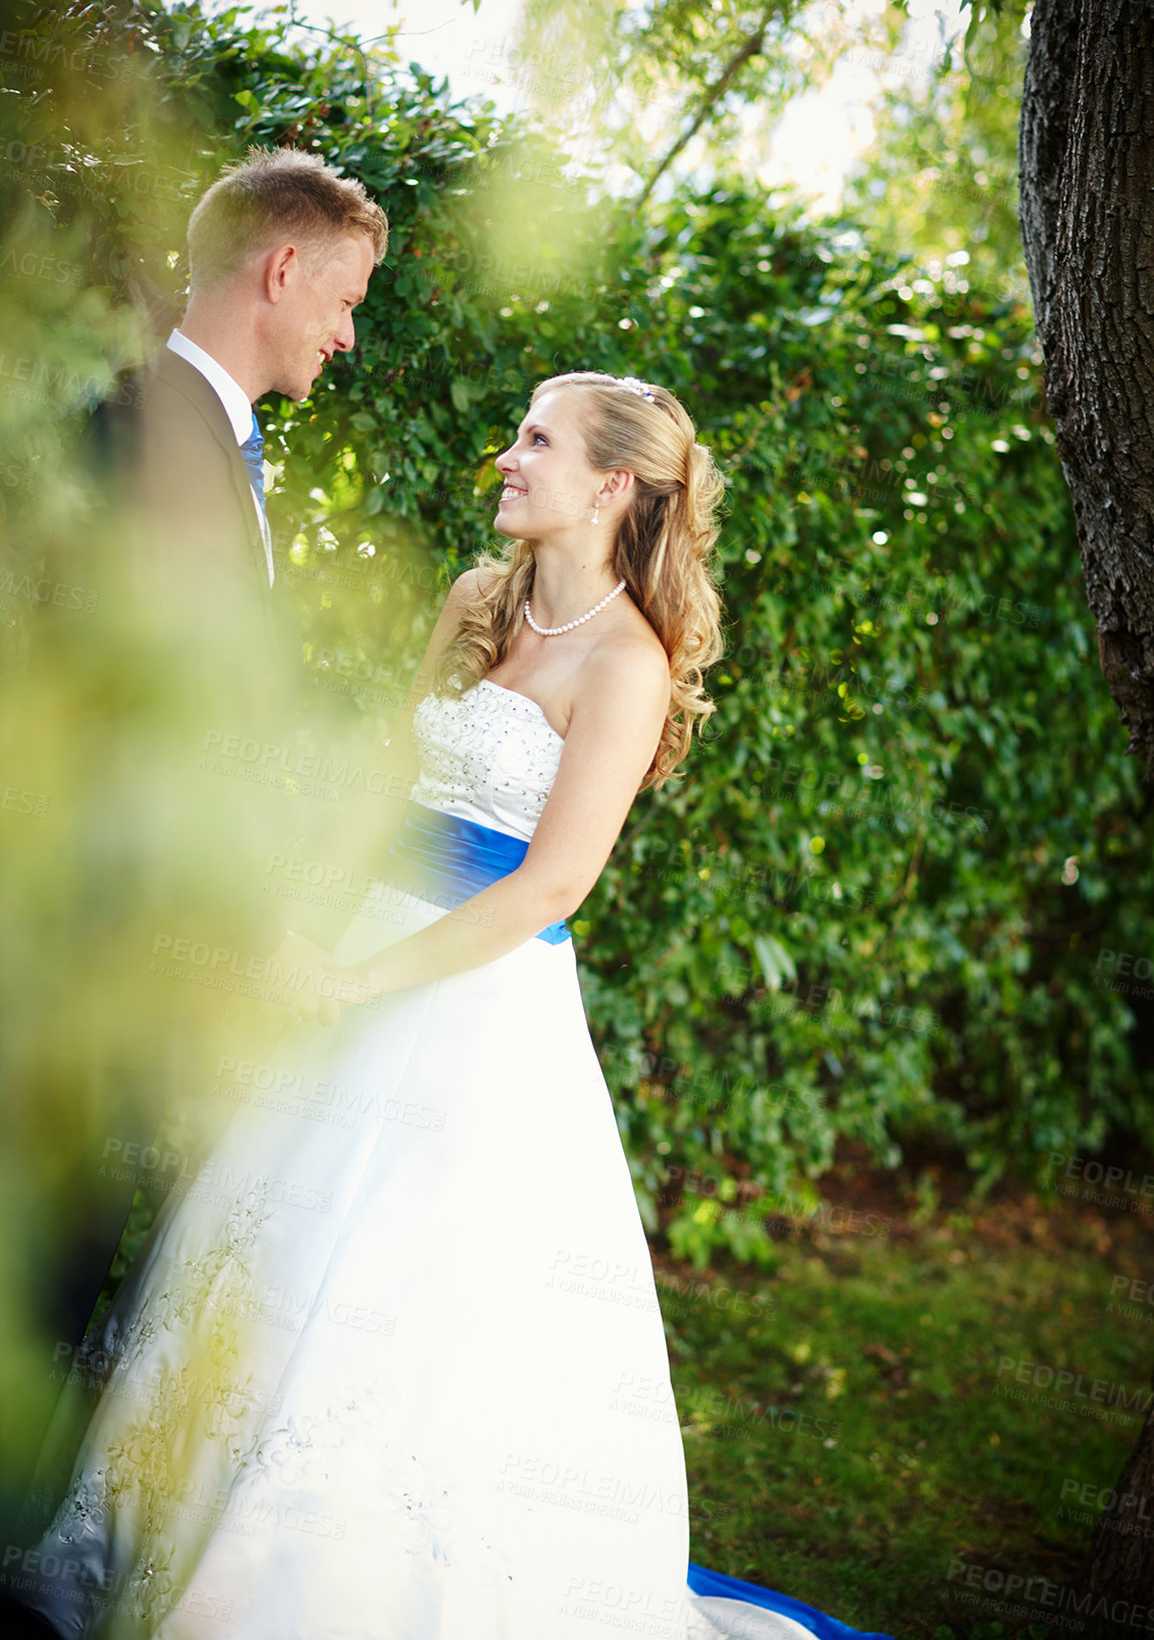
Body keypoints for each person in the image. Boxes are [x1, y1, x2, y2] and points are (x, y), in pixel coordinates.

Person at [8, 372, 893, 1640]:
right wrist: (313, 926)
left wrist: (360, 982)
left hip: (473, 1004)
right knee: (255, 1244)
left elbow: (552, 880)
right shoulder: (479, 600)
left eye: (537, 440)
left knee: (403, 1289)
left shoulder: (627, 663)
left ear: (612, 484)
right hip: (355, 948)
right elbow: (388, 781)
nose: (507, 457)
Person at [12, 147, 390, 1538]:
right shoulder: (139, 431)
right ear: (280, 269)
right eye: (344, 298)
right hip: (88, 948)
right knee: (43, 1270)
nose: (346, 335)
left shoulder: (213, 447)